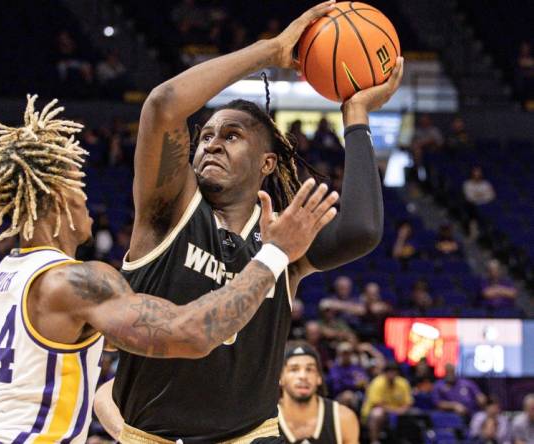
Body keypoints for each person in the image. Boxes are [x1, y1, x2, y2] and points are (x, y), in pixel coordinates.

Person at [0, 93, 338, 443]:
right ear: (59, 202)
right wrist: (275, 254)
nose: (89, 208)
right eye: (80, 194)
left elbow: (116, 350)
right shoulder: (79, 281)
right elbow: (193, 333)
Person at [95, 0, 398, 439]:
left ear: (268, 163)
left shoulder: (284, 237)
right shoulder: (169, 211)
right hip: (155, 436)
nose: (212, 144)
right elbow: (162, 105)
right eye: (207, 136)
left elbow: (362, 230)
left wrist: (356, 114)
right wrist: (270, 51)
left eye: (232, 135)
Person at [277, 344, 359, 444]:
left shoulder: (343, 418)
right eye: (294, 369)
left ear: (319, 377)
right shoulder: (267, 422)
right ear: (280, 378)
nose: (303, 376)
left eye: (309, 369)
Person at [361, 362, 413, 444]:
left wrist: (402, 410)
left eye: (394, 371)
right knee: (377, 413)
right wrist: (395, 411)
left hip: (396, 412)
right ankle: (374, 441)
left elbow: (408, 402)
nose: (392, 374)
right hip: (373, 412)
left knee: (412, 414)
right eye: (389, 371)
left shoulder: (403, 383)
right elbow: (377, 404)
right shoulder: (377, 383)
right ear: (385, 373)